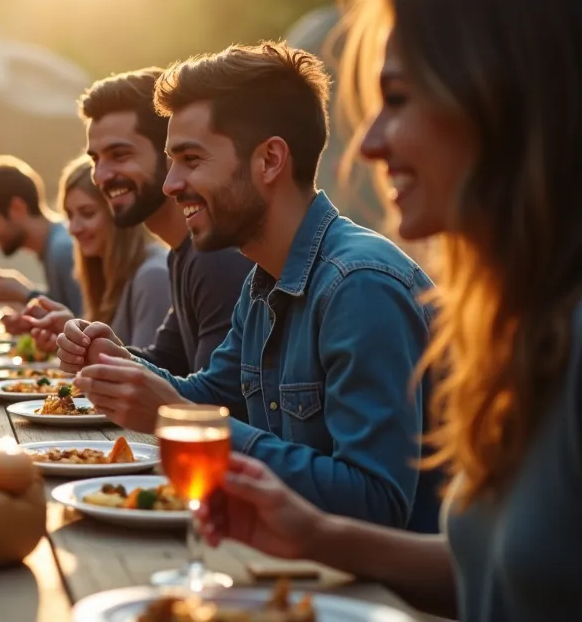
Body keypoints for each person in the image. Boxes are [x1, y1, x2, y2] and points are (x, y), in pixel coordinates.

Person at [198, 0, 582, 618]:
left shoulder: (362, 282)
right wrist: (316, 535)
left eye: (398, 100)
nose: (369, 144)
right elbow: (500, 570)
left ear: (507, 98)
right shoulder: (520, 330)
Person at [63, 42, 441, 532]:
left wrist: (177, 417)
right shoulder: (264, 279)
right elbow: (211, 395)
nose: (171, 184)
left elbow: (375, 502)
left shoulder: (359, 287)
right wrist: (121, 364)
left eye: (190, 159)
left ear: (269, 160)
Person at [27, 69, 253, 375]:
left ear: (170, 153)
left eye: (119, 155)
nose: (101, 176)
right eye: (95, 159)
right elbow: (166, 361)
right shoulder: (182, 254)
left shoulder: (213, 257)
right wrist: (89, 346)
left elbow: (209, 398)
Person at [57, 155, 171, 347]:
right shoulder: (105, 271)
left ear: (117, 212)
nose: (73, 228)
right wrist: (65, 332)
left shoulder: (152, 276)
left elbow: (142, 365)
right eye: (69, 215)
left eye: (87, 213)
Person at [0, 154, 85, 319]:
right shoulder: (52, 246)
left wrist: (26, 295)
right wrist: (22, 300)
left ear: (17, 208)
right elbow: (65, 305)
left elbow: (84, 323)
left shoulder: (62, 249)